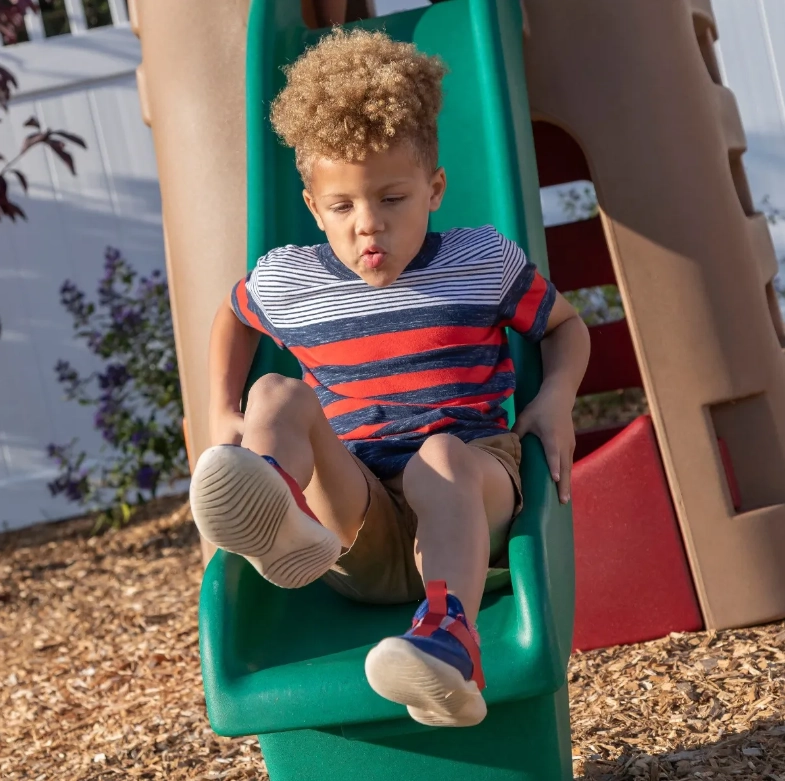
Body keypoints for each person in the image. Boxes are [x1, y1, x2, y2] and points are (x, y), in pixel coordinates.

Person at [190, 29, 590, 728]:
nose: (367, 226)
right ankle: (279, 513)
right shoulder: (290, 277)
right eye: (341, 207)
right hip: (357, 517)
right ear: (314, 208)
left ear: (434, 189)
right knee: (274, 395)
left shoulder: (479, 261)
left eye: (393, 198)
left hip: (470, 492)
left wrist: (554, 398)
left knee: (439, 456)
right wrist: (224, 409)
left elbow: (564, 325)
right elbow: (234, 317)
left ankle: (448, 640)